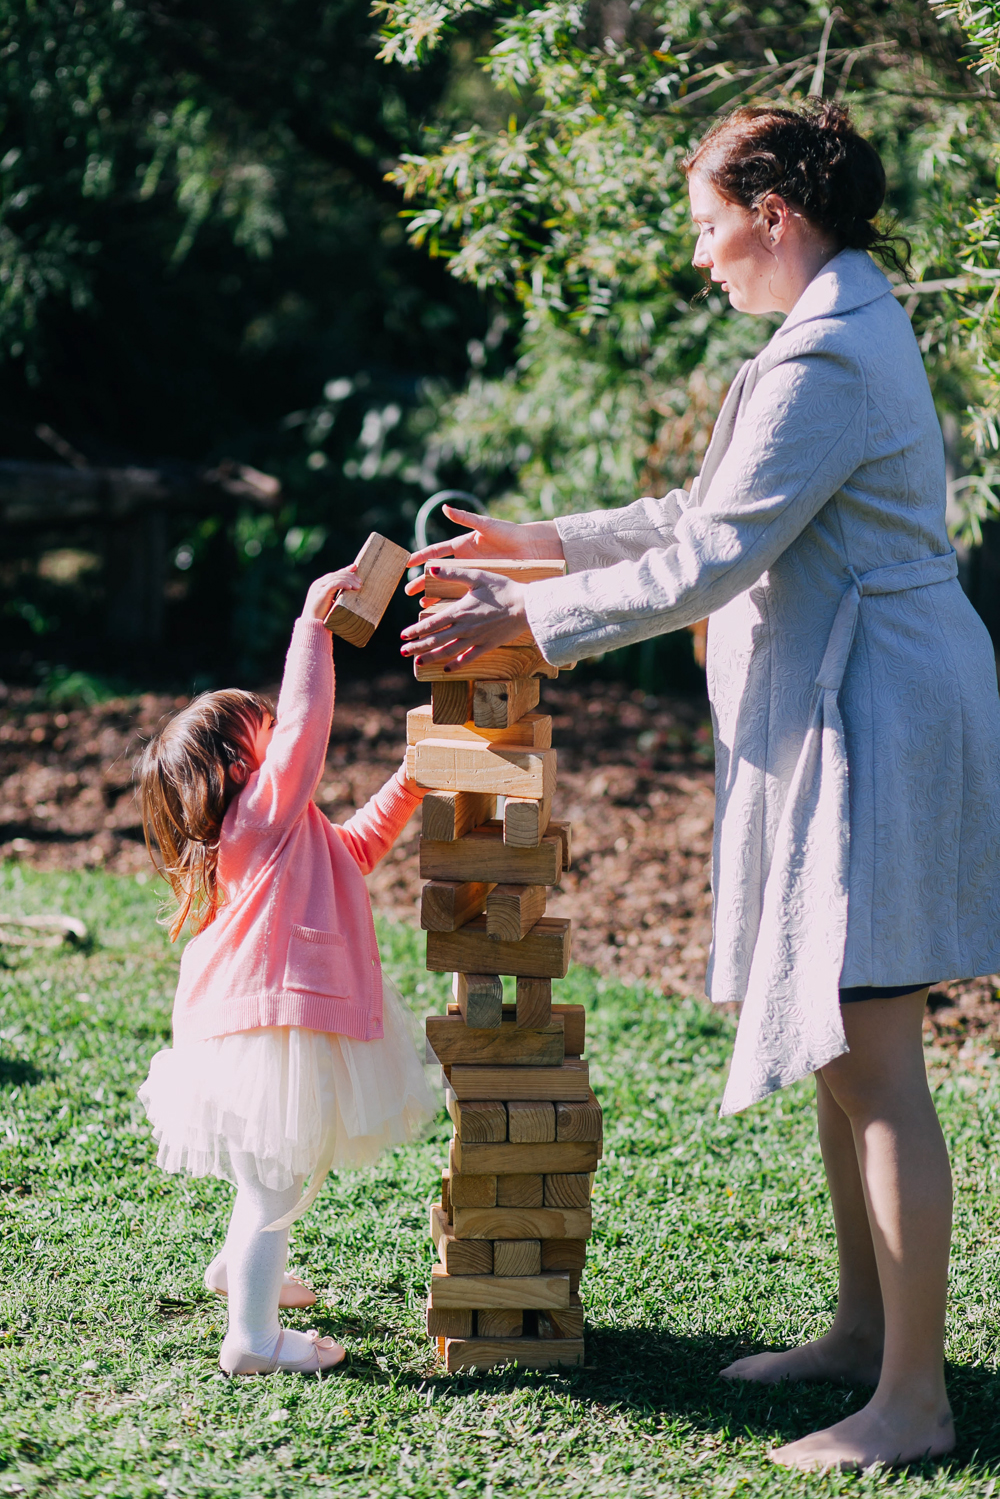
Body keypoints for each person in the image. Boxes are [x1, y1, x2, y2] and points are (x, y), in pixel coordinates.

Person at [400, 102, 1000, 1470]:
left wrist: (524, 625)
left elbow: (709, 564)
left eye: (708, 225)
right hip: (871, 703)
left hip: (885, 718)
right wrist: (538, 548)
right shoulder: (826, 333)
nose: (703, 253)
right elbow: (696, 518)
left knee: (872, 1044)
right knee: (844, 1039)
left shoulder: (826, 358)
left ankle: (914, 1402)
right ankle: (864, 1337)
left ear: (774, 214)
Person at [137, 565, 437, 1376]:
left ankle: (238, 1272)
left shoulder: (286, 832)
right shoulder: (259, 818)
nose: (274, 722)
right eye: (256, 725)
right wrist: (314, 626)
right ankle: (254, 1340)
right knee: (273, 1188)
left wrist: (410, 779)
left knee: (268, 1180)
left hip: (255, 1026)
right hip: (268, 1027)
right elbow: (305, 729)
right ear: (239, 766)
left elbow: (357, 847)